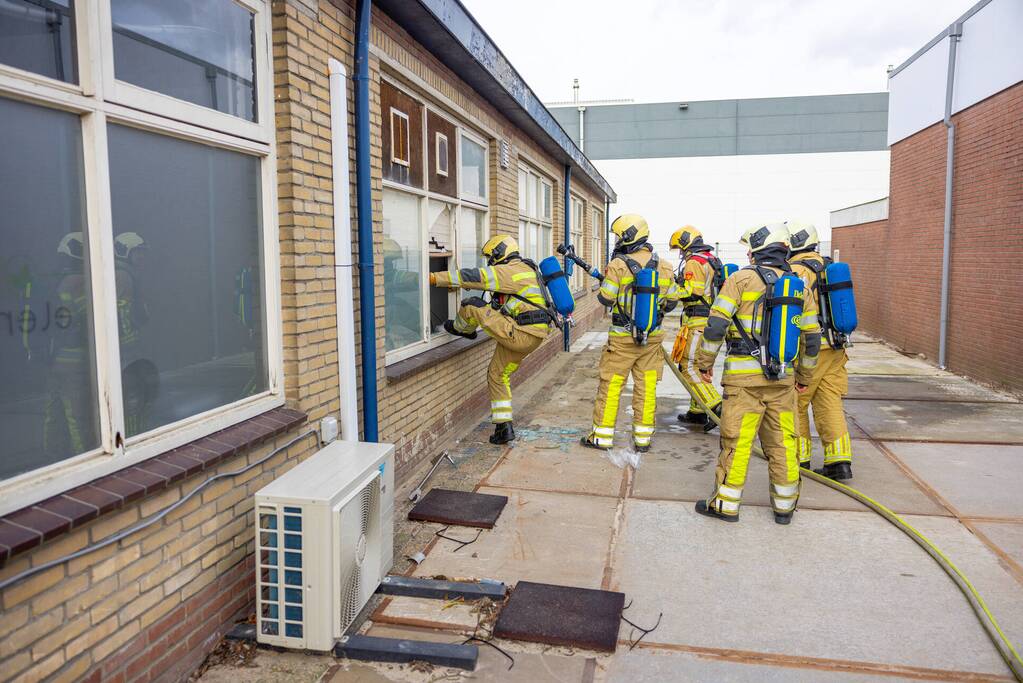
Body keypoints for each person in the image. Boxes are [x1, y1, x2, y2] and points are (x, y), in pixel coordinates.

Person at [693, 223, 821, 524]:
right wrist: (804, 377)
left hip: (744, 383)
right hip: (784, 381)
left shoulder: (740, 279)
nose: (748, 252)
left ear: (760, 248)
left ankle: (725, 504)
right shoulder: (799, 285)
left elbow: (715, 326)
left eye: (751, 247)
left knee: (737, 441)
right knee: (783, 442)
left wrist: (704, 362)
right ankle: (785, 506)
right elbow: (812, 339)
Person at [429, 235, 549, 445]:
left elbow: (474, 276)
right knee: (497, 374)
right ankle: (504, 428)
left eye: (490, 257)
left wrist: (433, 278)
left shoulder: (508, 270)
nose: (489, 262)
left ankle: (461, 329)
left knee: (471, 305)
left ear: (498, 253)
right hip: (534, 336)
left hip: (520, 334)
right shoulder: (527, 269)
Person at [581, 214, 680, 453]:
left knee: (611, 386)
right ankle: (643, 438)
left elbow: (605, 298)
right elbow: (673, 301)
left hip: (622, 339)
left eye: (618, 235)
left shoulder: (618, 265)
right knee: (646, 388)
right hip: (652, 339)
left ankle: (602, 437)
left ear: (628, 236)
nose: (616, 240)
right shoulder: (665, 266)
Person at [787, 221, 853, 480]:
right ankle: (839, 462)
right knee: (829, 402)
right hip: (836, 347)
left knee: (797, 401)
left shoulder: (795, 270)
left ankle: (799, 459)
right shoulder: (829, 267)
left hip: (811, 348)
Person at [668, 225, 724, 430]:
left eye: (680, 249)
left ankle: (717, 406)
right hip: (710, 320)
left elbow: (692, 291)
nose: (681, 254)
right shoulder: (711, 259)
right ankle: (698, 411)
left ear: (685, 243)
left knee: (688, 366)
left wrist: (670, 290)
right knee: (701, 365)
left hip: (698, 321)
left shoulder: (694, 261)